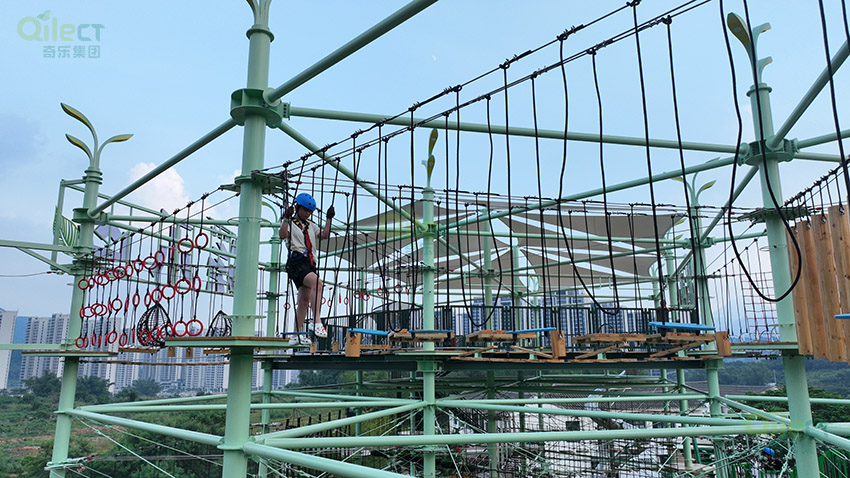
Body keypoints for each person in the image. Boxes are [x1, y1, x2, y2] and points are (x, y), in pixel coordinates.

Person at [279, 193, 334, 345]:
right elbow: (282, 235)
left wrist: (329, 219)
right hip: (297, 262)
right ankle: (316, 321)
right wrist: (286, 218)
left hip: (309, 264)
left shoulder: (310, 226)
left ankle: (296, 334)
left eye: (310, 211)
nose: (307, 213)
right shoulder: (291, 223)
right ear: (298, 208)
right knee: (317, 283)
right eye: (305, 210)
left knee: (304, 301)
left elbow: (324, 235)